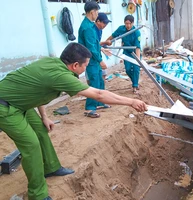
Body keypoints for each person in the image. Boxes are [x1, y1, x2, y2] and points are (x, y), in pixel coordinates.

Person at [0, 42, 147, 200]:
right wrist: (131, 102)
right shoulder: (60, 75)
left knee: (41, 131)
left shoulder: (54, 63)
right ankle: (37, 194)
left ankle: (51, 167)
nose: (86, 69)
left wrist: (44, 116)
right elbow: (98, 95)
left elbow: (37, 90)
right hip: (5, 107)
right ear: (75, 65)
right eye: (85, 65)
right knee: (31, 144)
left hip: (21, 101)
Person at [78, 1, 109, 117]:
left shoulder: (90, 25)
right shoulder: (87, 28)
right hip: (90, 60)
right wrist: (100, 60)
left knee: (100, 81)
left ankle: (100, 102)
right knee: (94, 82)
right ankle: (89, 108)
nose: (97, 14)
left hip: (94, 59)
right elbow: (90, 47)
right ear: (92, 12)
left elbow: (95, 45)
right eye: (97, 12)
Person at [106, 15, 141, 94]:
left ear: (133, 23)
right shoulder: (121, 29)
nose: (128, 25)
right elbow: (113, 36)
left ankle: (135, 86)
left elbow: (137, 47)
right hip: (126, 53)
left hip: (135, 52)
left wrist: (138, 60)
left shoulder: (136, 32)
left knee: (136, 69)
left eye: (129, 24)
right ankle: (135, 82)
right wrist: (106, 41)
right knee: (128, 70)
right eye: (126, 23)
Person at [85, 12, 112, 84]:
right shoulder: (91, 30)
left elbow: (96, 44)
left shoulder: (100, 30)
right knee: (92, 78)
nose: (105, 25)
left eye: (106, 23)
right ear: (98, 21)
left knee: (103, 74)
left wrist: (102, 49)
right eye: (104, 23)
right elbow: (91, 45)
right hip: (89, 57)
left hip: (96, 55)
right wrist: (105, 43)